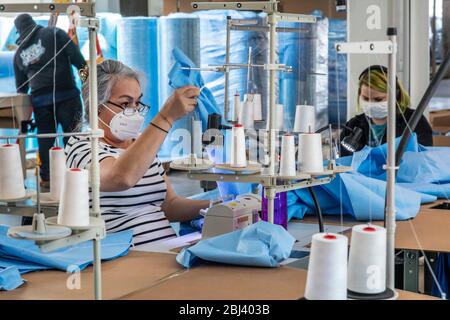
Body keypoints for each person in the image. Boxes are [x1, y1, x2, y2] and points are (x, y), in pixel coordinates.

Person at [65, 60, 210, 247]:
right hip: (124, 258)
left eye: (137, 103)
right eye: (125, 103)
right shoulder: (82, 146)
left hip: (167, 249)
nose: (133, 111)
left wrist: (220, 206)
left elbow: (170, 206)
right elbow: (121, 178)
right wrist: (166, 117)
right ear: (97, 105)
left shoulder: (140, 143)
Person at [13, 13, 87, 188]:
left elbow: (21, 90)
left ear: (19, 31)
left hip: (41, 104)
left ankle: (47, 179)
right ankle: (77, 175)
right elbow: (79, 61)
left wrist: (24, 117)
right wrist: (89, 84)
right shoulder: (55, 33)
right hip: (68, 97)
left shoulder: (18, 55)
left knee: (45, 141)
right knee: (73, 138)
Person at [340, 65, 433, 157]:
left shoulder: (414, 122)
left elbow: (424, 162)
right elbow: (343, 163)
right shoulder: (352, 126)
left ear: (395, 96)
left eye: (378, 99)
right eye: (366, 98)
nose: (371, 104)